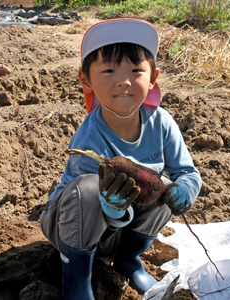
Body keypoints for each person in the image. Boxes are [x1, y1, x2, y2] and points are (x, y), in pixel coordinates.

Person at [40, 18, 202, 299]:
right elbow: (84, 207)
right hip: (74, 229)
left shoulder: (161, 123)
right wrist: (114, 212)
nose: (124, 80)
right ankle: (77, 283)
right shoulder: (89, 139)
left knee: (163, 184)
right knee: (89, 189)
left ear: (153, 78)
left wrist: (185, 190)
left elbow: (187, 172)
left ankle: (129, 261)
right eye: (109, 70)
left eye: (136, 70)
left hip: (123, 232)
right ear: (86, 80)